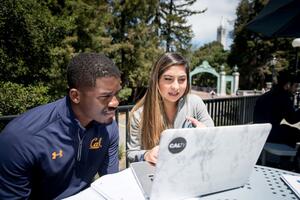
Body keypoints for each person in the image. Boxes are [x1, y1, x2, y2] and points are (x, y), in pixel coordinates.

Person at [0, 53, 122, 199]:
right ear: (75, 96)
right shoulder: (20, 139)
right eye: (105, 97)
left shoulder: (108, 127)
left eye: (116, 94)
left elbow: (111, 185)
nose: (115, 103)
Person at [127, 52, 214, 164]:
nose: (176, 87)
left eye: (182, 79)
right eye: (168, 79)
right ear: (156, 81)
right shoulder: (139, 115)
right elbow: (131, 153)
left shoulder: (195, 103)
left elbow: (213, 136)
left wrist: (206, 133)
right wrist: (146, 155)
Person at [253, 71, 300, 147]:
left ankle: (287, 156)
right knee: (296, 133)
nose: (297, 89)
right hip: (269, 134)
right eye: (295, 86)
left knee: (287, 129)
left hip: (259, 132)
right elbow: (292, 119)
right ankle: (289, 157)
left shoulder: (269, 94)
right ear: (288, 85)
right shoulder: (283, 97)